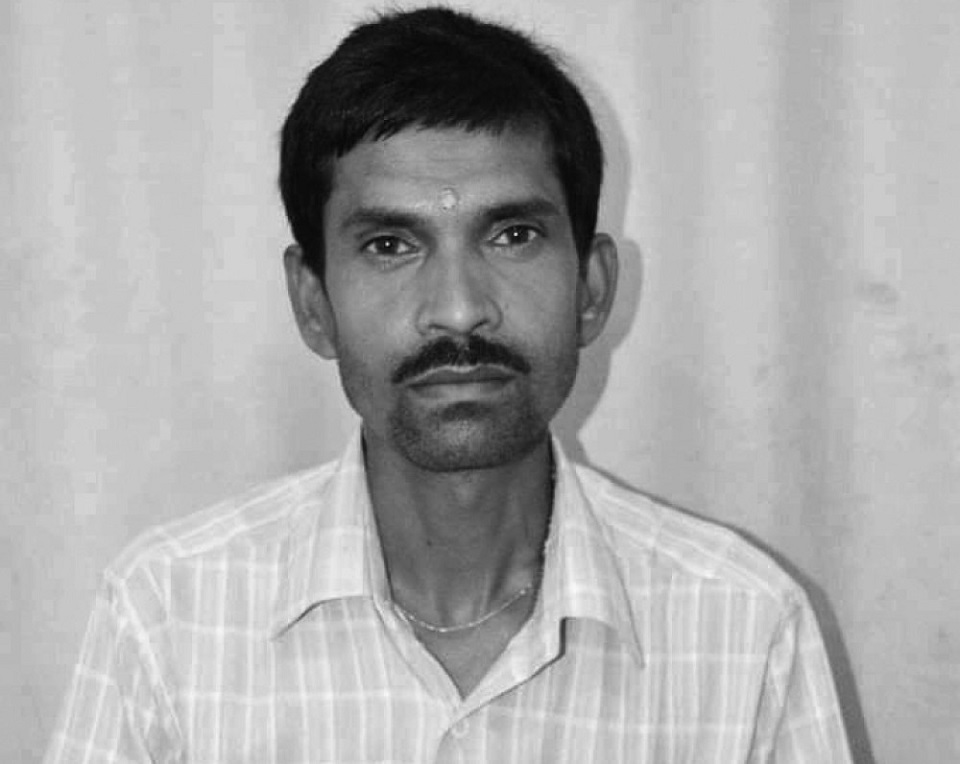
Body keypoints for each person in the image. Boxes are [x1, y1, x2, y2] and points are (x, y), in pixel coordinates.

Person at [46, 7, 852, 762]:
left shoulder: (746, 630)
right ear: (313, 303)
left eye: (513, 234)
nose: (460, 309)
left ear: (593, 288)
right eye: (390, 245)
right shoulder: (167, 618)